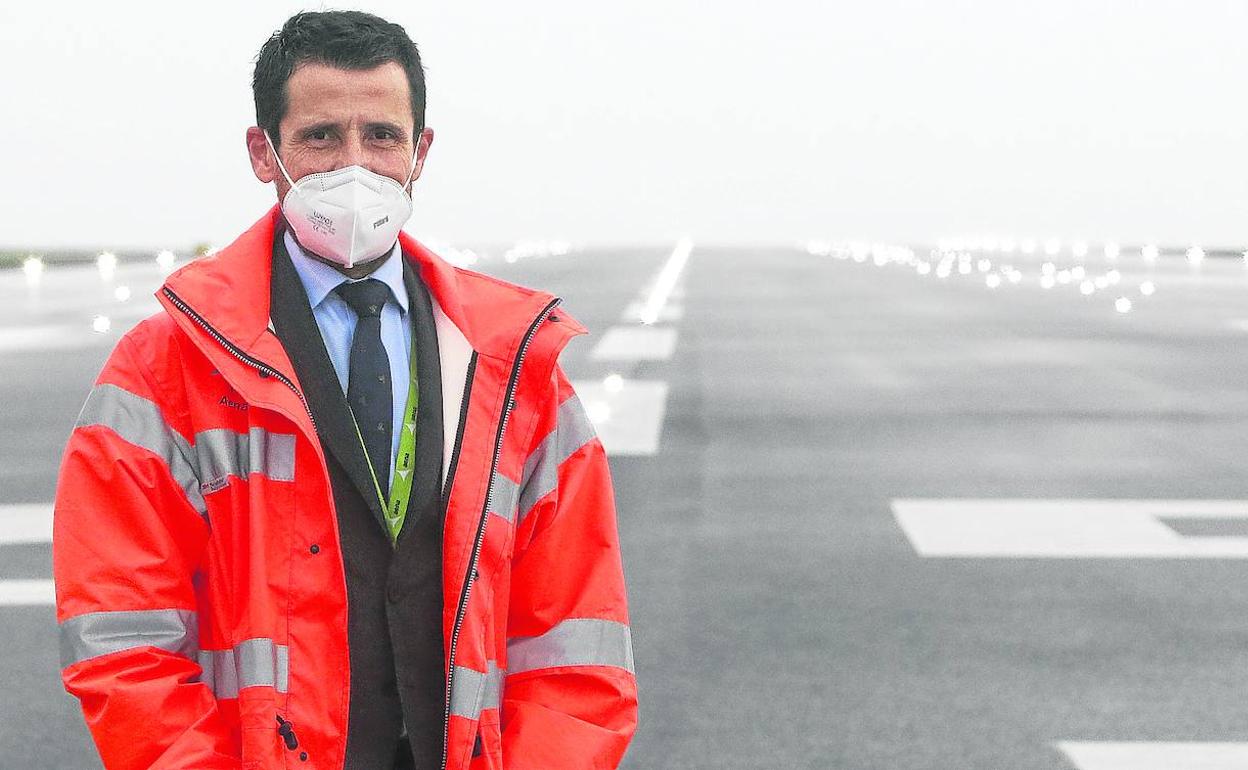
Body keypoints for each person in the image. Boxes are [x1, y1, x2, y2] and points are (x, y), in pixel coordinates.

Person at [51, 10, 637, 770]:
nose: (354, 165)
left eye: (383, 136)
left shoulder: (516, 365)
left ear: (421, 151)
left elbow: (578, 643)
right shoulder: (163, 371)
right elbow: (122, 641)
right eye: (322, 136)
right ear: (265, 152)